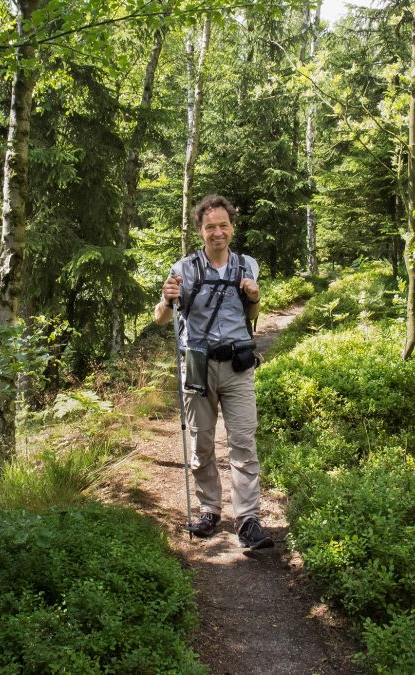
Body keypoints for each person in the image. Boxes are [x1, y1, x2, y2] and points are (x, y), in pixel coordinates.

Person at [154, 194, 274, 550]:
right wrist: (165, 297)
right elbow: (162, 318)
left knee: (243, 443)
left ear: (232, 228)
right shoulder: (183, 268)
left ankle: (248, 519)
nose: (217, 232)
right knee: (201, 442)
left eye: (223, 225)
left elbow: (252, 317)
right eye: (210, 227)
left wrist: (254, 296)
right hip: (198, 365)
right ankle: (209, 510)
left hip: (238, 365)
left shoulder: (246, 265)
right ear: (200, 231)